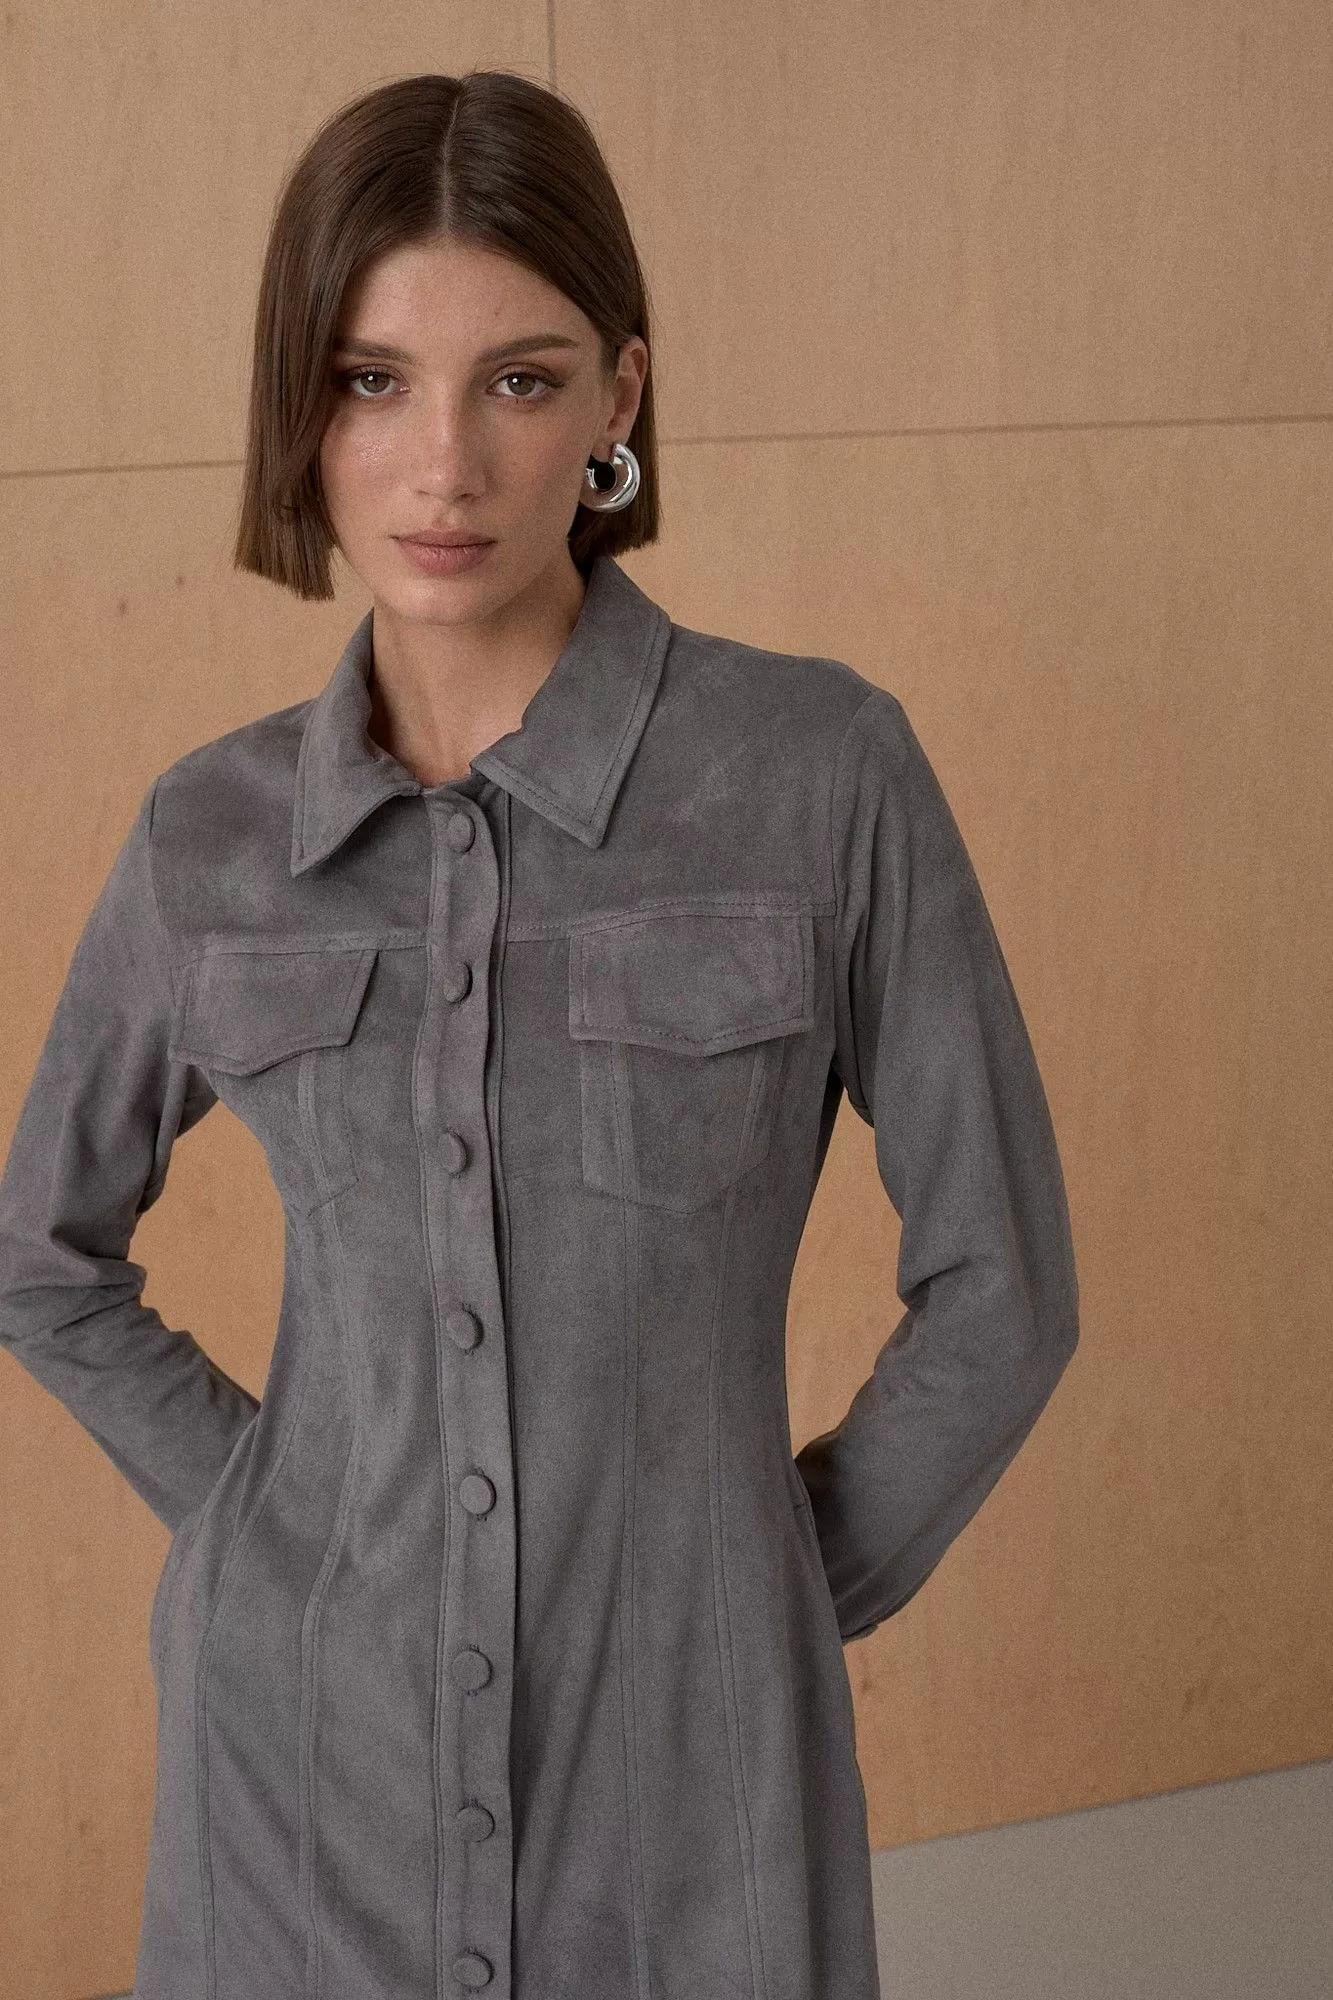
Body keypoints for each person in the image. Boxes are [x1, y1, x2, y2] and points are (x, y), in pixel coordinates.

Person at [0, 67, 1079, 2000]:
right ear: (299, 407)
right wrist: (260, 1518)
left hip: (691, 1798)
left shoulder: (820, 773)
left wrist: (755, 1590)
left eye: (519, 379)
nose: (445, 468)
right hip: (296, 1786)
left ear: (618, 402)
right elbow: (39, 1254)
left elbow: (1006, 1289)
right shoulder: (207, 836)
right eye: (371, 380)